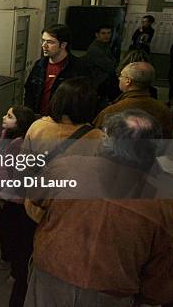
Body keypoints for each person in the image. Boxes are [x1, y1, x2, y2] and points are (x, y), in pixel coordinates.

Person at [25, 109, 173, 307]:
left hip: (52, 275)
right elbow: (161, 268)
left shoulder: (66, 167)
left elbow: (35, 196)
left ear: (107, 138)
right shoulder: (162, 202)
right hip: (111, 294)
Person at [18, 77, 104, 307]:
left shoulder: (39, 128)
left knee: (27, 260)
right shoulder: (97, 137)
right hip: (72, 217)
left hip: (34, 208)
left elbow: (23, 168)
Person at [0, 105, 36, 272]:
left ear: (19, 123)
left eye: (9, 116)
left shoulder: (20, 145)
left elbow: (15, 177)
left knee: (14, 232)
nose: (4, 117)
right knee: (4, 228)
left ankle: (15, 267)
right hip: (5, 195)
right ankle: (7, 257)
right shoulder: (7, 135)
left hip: (14, 199)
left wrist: (3, 196)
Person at [24, 24, 89, 116]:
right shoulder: (40, 65)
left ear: (63, 44)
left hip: (63, 122)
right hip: (39, 119)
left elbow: (83, 100)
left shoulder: (78, 67)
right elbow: (29, 92)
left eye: (50, 42)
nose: (44, 45)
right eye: (43, 41)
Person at [94, 62, 171, 137]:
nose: (119, 78)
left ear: (128, 81)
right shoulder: (164, 110)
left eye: (121, 75)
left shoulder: (111, 112)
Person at [83, 25, 118, 106]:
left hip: (103, 80)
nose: (107, 36)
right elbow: (110, 66)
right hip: (97, 83)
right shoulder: (95, 49)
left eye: (109, 33)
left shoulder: (105, 45)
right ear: (97, 34)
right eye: (103, 33)